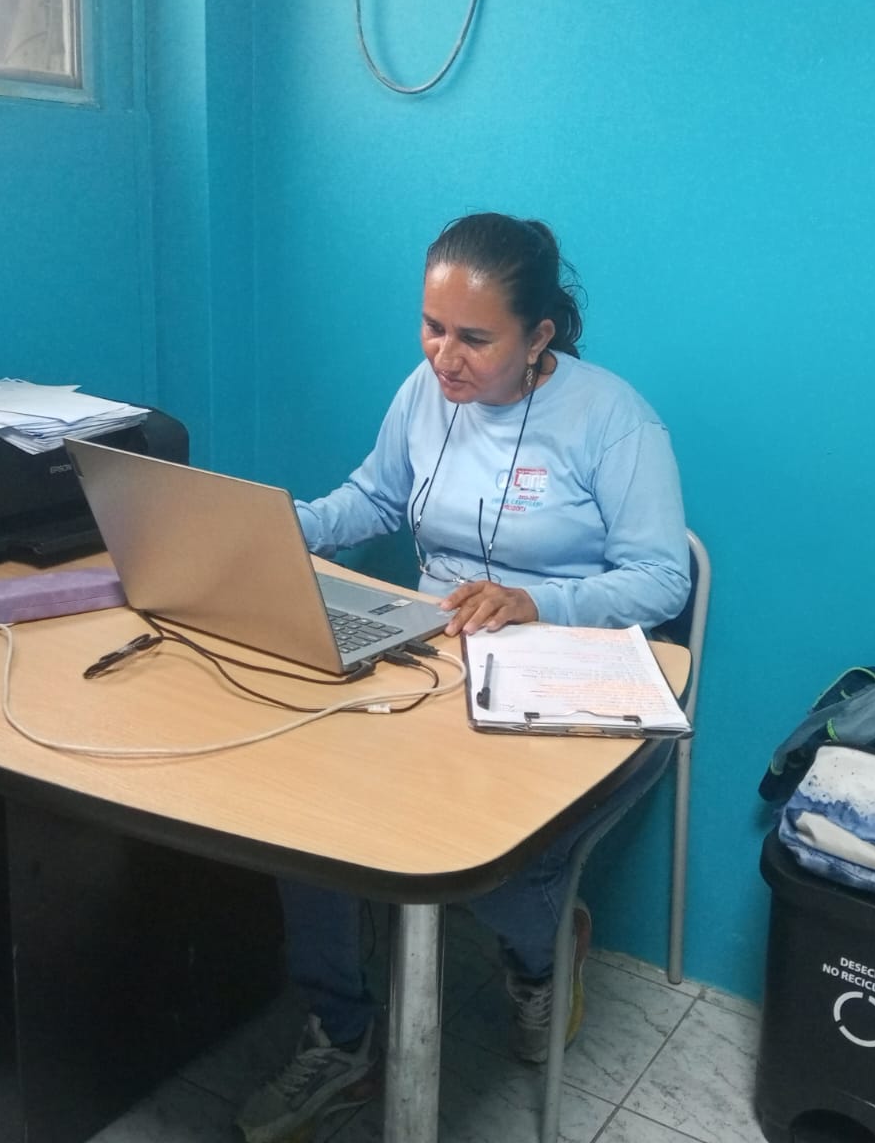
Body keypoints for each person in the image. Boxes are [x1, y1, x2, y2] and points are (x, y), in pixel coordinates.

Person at [236, 212, 690, 1143]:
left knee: (492, 870)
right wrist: (278, 529)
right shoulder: (426, 390)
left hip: (572, 669)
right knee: (299, 813)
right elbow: (374, 496)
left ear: (539, 336)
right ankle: (342, 1037)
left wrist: (534, 602)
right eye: (432, 327)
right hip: (434, 657)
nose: (445, 357)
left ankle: (544, 956)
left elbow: (662, 578)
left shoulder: (613, 418)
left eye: (474, 338)